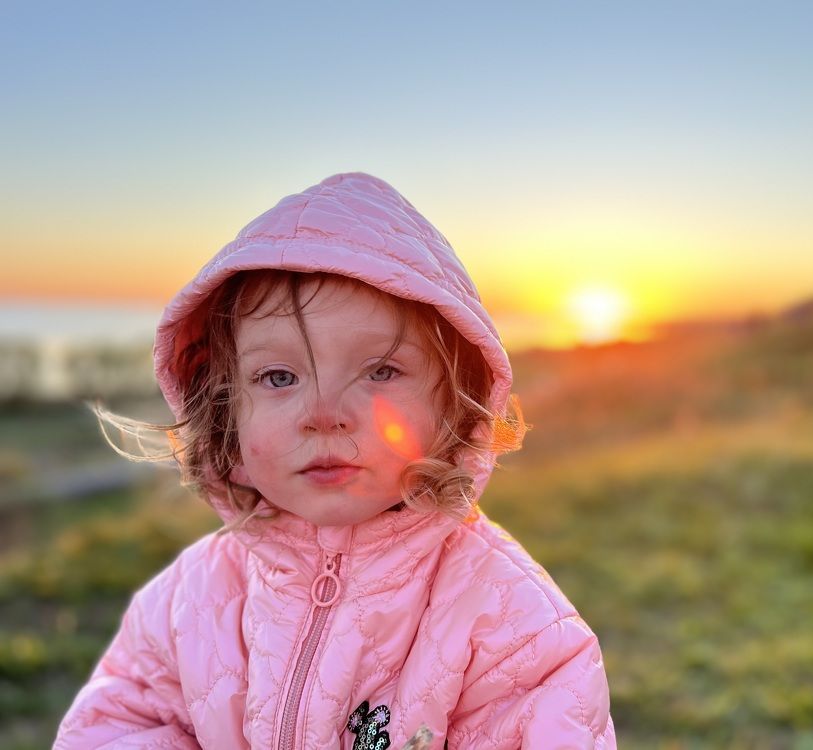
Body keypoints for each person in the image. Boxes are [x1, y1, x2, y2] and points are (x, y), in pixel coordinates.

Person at [55, 172, 615, 749]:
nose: (323, 414)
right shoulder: (187, 600)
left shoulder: (513, 622)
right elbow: (118, 727)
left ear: (453, 406)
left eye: (380, 372)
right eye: (278, 377)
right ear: (226, 413)